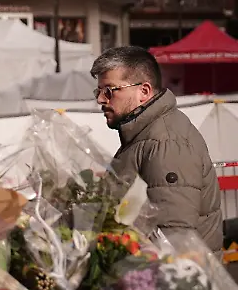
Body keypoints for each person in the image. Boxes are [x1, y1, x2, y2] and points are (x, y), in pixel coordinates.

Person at [90, 46, 223, 252]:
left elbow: (173, 237)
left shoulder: (165, 143)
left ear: (144, 91)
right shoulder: (145, 134)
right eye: (98, 91)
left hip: (173, 270)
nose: (100, 99)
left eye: (109, 91)